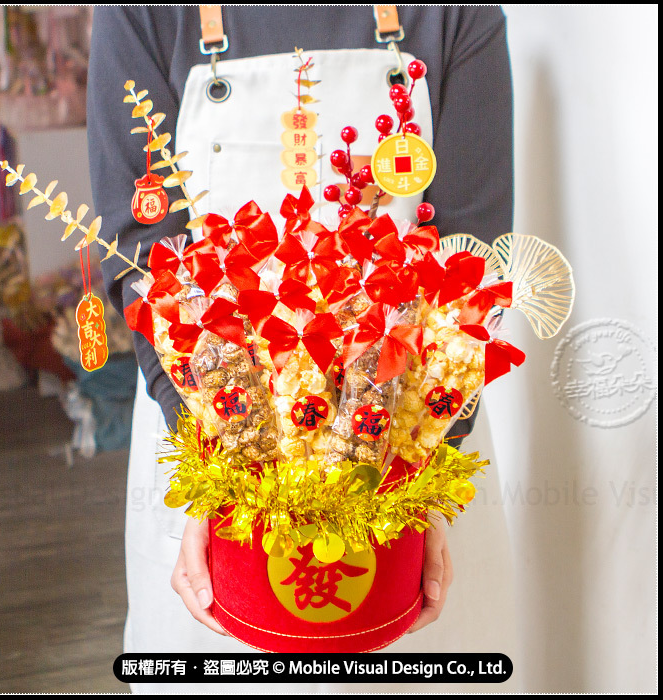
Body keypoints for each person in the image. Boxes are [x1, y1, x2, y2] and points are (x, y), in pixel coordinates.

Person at [88, 6, 515, 694]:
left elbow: (471, 256)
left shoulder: (455, 11)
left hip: (413, 431)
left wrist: (418, 481)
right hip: (210, 424)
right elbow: (143, 250)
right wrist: (218, 472)